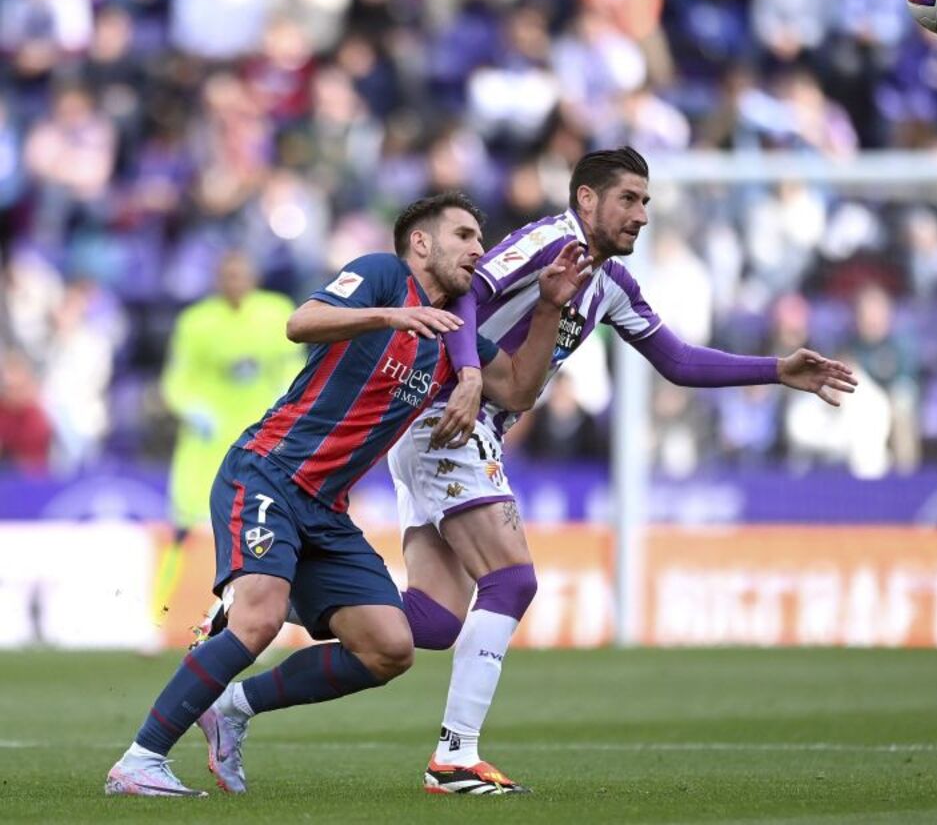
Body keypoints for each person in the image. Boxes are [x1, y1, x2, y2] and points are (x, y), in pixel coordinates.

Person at [391, 146, 857, 794]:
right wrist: (470, 375)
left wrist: (776, 370)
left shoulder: (609, 285)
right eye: (629, 199)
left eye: (646, 202)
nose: (642, 214)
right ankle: (455, 756)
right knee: (512, 580)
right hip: (446, 416)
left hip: (468, 430)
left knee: (433, 621)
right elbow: (463, 294)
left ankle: (262, 638)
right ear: (586, 199)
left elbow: (679, 361)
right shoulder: (546, 242)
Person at [104, 192, 590, 797]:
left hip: (326, 511)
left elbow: (516, 390)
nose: (478, 249)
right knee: (255, 621)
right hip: (268, 472)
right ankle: (140, 759)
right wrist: (388, 316)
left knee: (390, 647)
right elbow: (300, 322)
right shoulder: (384, 275)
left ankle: (232, 703)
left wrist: (547, 309)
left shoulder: (452, 335)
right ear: (421, 243)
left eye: (479, 238)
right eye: (463, 235)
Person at [153, 251, 302, 629]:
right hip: (207, 442)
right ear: (219, 279)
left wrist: (284, 397)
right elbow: (176, 380)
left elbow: (295, 365)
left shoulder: (275, 311)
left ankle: (260, 621)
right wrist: (194, 409)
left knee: (262, 529)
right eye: (228, 275)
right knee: (185, 528)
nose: (235, 282)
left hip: (261, 439)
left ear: (253, 277)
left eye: (242, 275)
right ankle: (159, 620)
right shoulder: (196, 321)